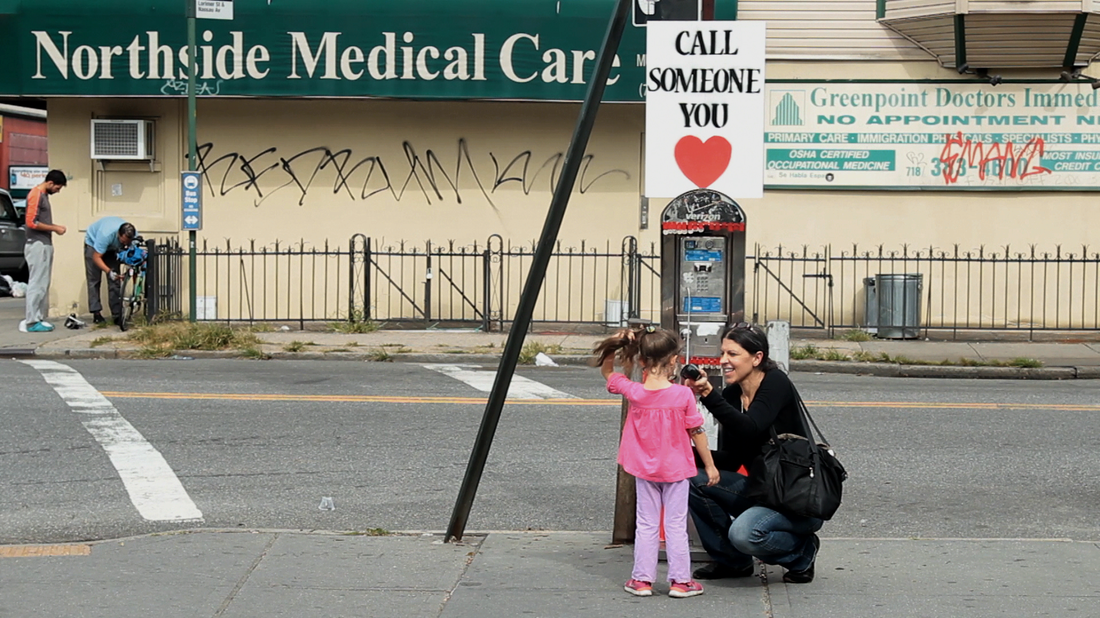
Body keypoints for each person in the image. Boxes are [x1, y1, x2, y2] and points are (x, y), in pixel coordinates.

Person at [683, 322, 823, 584]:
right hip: (762, 491)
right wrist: (682, 452)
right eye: (723, 353)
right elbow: (732, 459)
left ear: (757, 357)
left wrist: (710, 395)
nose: (723, 360)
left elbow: (751, 428)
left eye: (732, 354)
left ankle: (802, 553)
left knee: (744, 534)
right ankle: (732, 561)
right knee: (692, 479)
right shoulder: (733, 394)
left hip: (795, 500)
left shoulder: (776, 383)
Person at [593, 324, 719, 599]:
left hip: (644, 469)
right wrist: (709, 465)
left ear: (641, 361)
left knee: (647, 523)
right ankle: (680, 581)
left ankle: (641, 580)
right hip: (676, 470)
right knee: (675, 525)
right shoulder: (684, 394)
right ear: (674, 360)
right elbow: (696, 431)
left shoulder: (635, 392)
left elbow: (607, 371)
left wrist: (615, 343)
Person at [19, 170, 67, 333]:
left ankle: (37, 318)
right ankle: (32, 321)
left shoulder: (42, 195)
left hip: (42, 243)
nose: (58, 191)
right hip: (37, 243)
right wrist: (55, 228)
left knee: (42, 283)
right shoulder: (36, 195)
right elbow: (31, 222)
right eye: (58, 188)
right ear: (51, 183)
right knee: (37, 283)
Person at [84, 216, 137, 328]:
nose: (125, 245)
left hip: (113, 249)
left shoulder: (134, 236)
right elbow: (96, 257)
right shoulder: (106, 234)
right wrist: (109, 271)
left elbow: (133, 255)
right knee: (94, 280)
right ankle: (96, 313)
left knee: (115, 281)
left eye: (127, 243)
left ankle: (117, 314)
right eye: (123, 242)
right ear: (118, 234)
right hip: (94, 246)